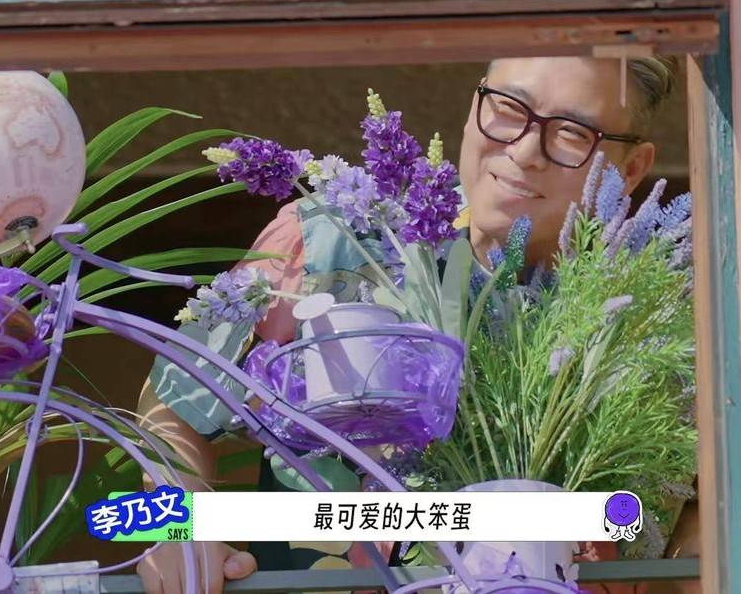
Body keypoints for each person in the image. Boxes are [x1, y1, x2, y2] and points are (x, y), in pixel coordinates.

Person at [135, 55, 689, 594]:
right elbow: (173, 400)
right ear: (475, 104)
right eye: (508, 108)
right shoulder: (337, 240)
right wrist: (173, 530)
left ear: (631, 169)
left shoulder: (663, 315)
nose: (524, 151)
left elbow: (709, 500)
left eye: (572, 133)